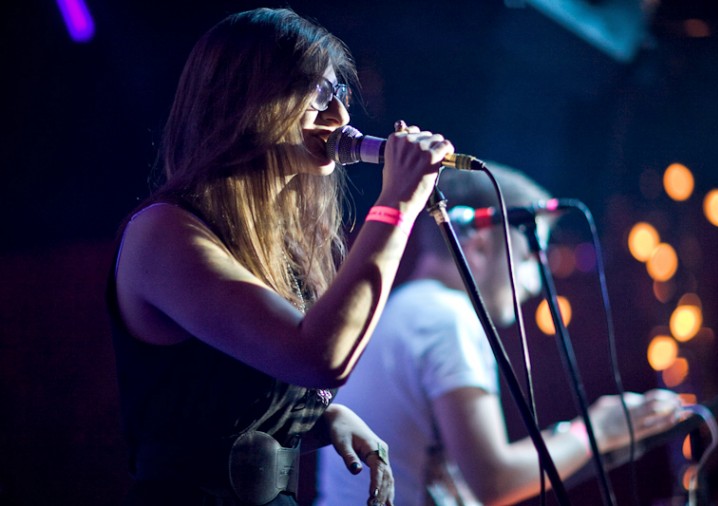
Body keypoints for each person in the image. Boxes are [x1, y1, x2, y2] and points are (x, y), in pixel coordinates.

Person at [106, 7, 455, 506]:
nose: (342, 118)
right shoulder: (164, 234)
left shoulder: (274, 244)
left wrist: (316, 419)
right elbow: (320, 357)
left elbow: (223, 390)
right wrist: (397, 203)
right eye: (319, 94)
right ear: (248, 99)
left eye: (342, 96)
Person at [316, 164, 684, 505]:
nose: (534, 285)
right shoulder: (449, 317)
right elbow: (494, 481)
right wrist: (598, 430)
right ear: (478, 246)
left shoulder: (405, 307)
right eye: (526, 258)